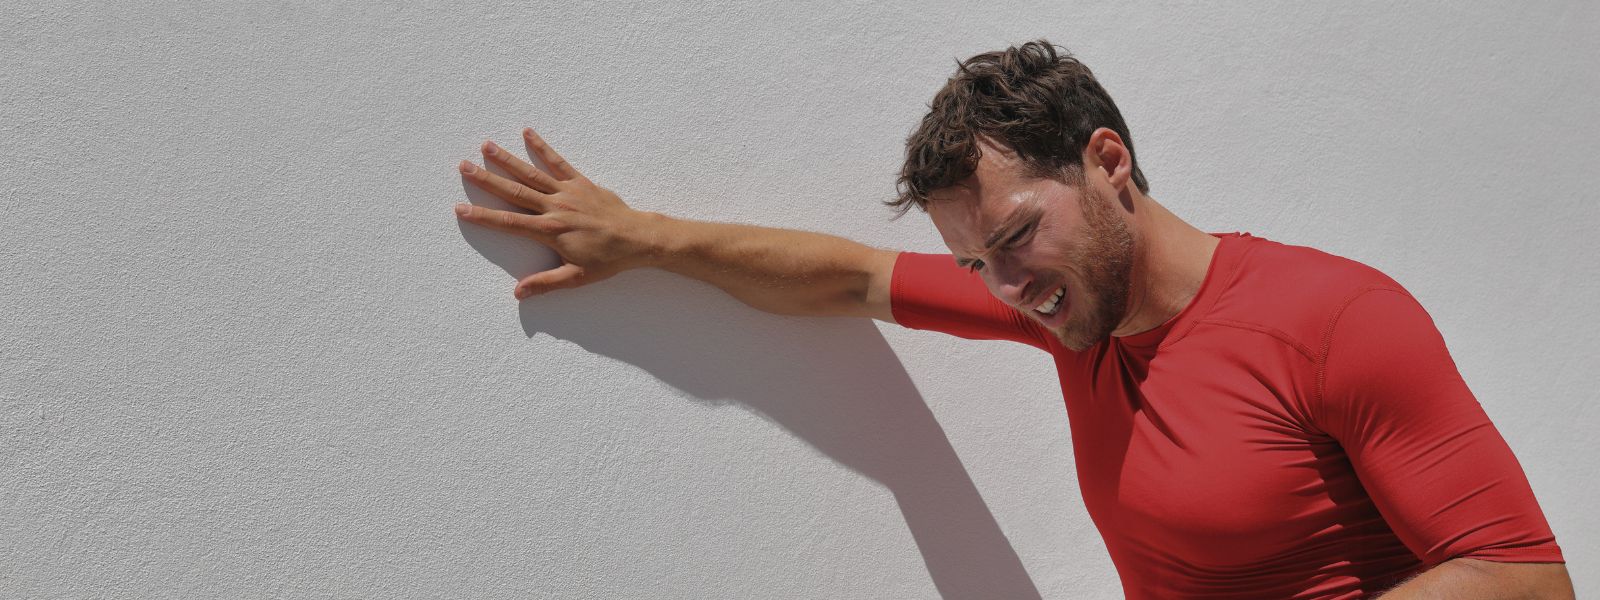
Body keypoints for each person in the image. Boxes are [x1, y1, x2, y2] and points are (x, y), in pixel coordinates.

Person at [452, 40, 1572, 599]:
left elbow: (1526, 579)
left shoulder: (1332, 319)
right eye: (973, 261)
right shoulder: (1063, 308)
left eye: (1016, 237)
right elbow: (845, 277)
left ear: (1107, 162)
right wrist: (639, 237)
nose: (1003, 283)